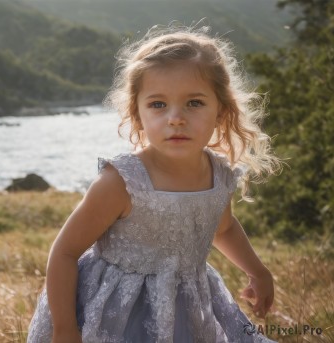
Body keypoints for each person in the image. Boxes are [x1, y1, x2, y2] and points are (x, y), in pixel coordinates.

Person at [27, 25, 281, 343]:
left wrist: (257, 271)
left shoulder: (219, 175)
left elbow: (224, 228)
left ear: (222, 111)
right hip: (115, 313)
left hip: (187, 307)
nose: (176, 118)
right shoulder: (122, 182)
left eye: (194, 103)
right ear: (138, 114)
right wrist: (65, 328)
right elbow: (65, 252)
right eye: (158, 104)